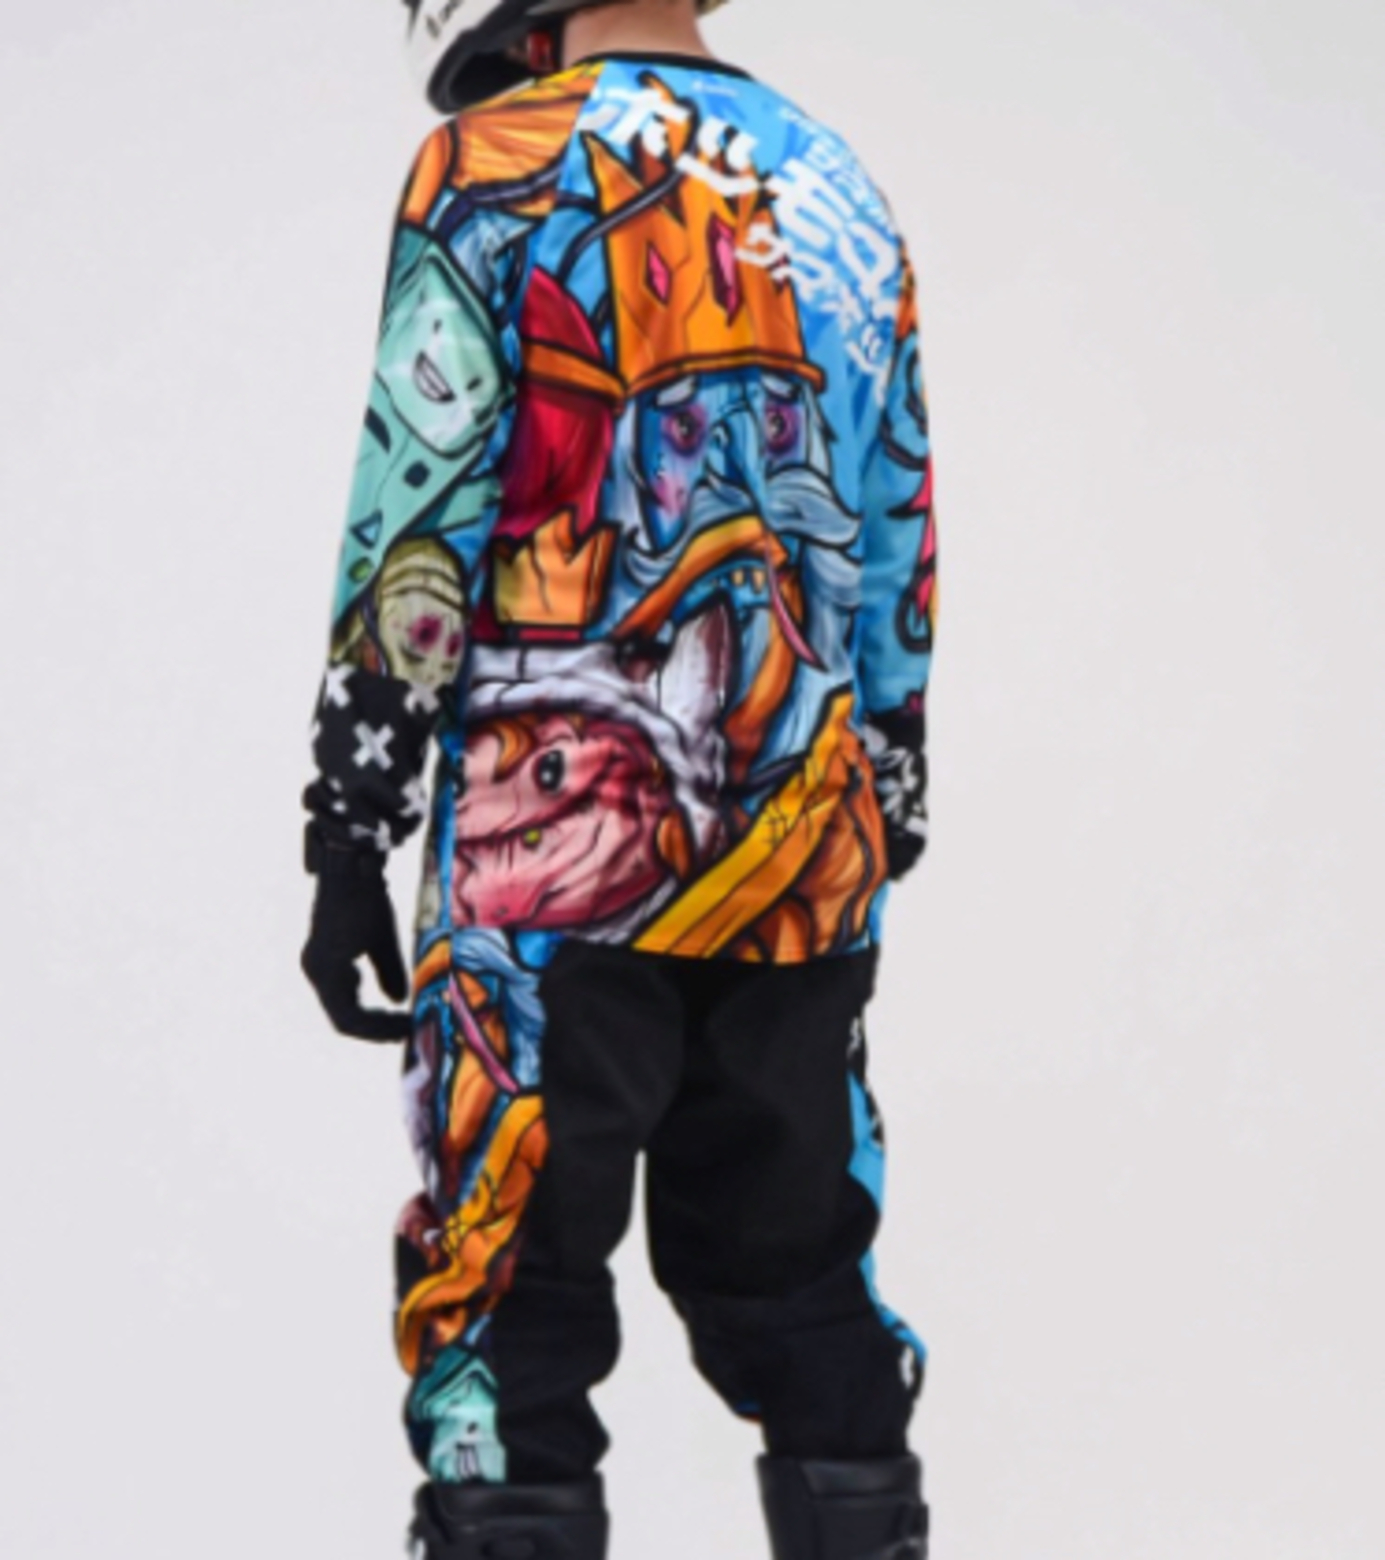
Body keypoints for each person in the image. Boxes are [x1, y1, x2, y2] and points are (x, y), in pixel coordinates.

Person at [300, 1, 938, 1554]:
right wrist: (886, 787)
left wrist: (350, 819)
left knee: (503, 1296)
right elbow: (894, 519)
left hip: (545, 876)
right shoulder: (836, 185)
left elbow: (420, 505)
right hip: (801, 846)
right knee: (806, 1295)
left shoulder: (491, 162)